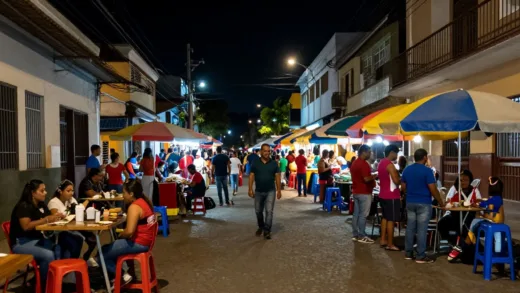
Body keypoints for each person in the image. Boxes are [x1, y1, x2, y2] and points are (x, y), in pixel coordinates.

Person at [99, 180, 156, 285]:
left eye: (124, 192)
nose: (123, 195)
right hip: (146, 242)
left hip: (139, 243)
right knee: (108, 249)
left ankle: (123, 276)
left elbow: (129, 231)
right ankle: (119, 277)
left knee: (101, 254)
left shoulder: (134, 207)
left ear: (131, 194)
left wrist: (121, 235)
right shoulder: (144, 202)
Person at [10, 180, 64, 290]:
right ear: (32, 193)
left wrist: (56, 216)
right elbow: (26, 226)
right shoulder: (24, 206)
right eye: (42, 190)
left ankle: (55, 281)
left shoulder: (41, 204)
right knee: (48, 255)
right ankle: (45, 286)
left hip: (36, 239)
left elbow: (48, 218)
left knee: (60, 246)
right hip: (21, 243)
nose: (45, 192)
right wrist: (45, 219)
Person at [401, 148, 444, 263]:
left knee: (410, 228)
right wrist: (441, 202)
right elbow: (433, 189)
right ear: (424, 157)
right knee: (421, 229)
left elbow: (403, 188)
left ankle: (408, 253)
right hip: (424, 203)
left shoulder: (407, 170)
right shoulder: (427, 171)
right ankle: (420, 255)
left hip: (410, 202)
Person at [447, 177, 505, 262]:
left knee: (474, 224)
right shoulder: (498, 199)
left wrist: (478, 204)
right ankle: (469, 245)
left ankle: (464, 245)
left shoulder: (494, 200)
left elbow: (486, 205)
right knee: (477, 223)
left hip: (493, 222)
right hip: (497, 224)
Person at [48, 180, 98, 266]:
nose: (71, 193)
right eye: (68, 191)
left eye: (72, 190)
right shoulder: (54, 202)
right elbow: (55, 217)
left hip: (72, 227)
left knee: (92, 238)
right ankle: (71, 265)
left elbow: (79, 209)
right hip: (59, 232)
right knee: (76, 241)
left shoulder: (71, 200)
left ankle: (84, 259)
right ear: (60, 191)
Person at [438, 169, 482, 245]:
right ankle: (449, 243)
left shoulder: (475, 191)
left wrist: (473, 203)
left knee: (464, 228)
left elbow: (479, 202)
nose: (463, 182)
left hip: (469, 217)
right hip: (455, 216)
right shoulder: (456, 190)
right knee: (442, 222)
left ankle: (461, 245)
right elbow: (449, 201)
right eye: (461, 180)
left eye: (465, 180)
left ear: (470, 181)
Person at [248, 144, 282, 240]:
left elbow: (277, 177)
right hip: (258, 191)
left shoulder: (274, 163)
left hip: (270, 191)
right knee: (258, 211)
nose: (267, 153)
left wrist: (279, 190)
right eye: (265, 151)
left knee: (269, 211)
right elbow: (251, 175)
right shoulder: (255, 163)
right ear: (261, 151)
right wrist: (250, 189)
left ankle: (267, 230)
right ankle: (261, 226)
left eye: (268, 151)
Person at [350, 145, 377, 244]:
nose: (370, 154)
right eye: (369, 152)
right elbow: (366, 178)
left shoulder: (354, 163)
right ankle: (362, 235)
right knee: (363, 215)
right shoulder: (363, 164)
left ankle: (355, 234)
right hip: (364, 192)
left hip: (356, 191)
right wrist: (374, 175)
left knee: (356, 214)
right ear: (364, 152)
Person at [377, 145, 401, 251]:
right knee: (391, 219)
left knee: (385, 218)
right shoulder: (390, 165)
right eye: (396, 153)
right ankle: (390, 244)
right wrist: (401, 178)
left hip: (382, 194)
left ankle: (383, 239)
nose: (396, 156)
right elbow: (396, 181)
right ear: (391, 152)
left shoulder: (381, 163)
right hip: (391, 195)